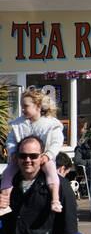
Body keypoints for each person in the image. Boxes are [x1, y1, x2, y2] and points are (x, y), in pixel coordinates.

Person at [0, 89, 65, 217]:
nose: (23, 110)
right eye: (21, 106)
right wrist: (13, 152)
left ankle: (55, 199)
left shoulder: (50, 124)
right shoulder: (19, 124)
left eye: (26, 106)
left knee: (51, 170)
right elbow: (11, 140)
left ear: (38, 106)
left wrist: (48, 155)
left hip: (44, 158)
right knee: (7, 173)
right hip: (21, 159)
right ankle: (4, 203)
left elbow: (57, 142)